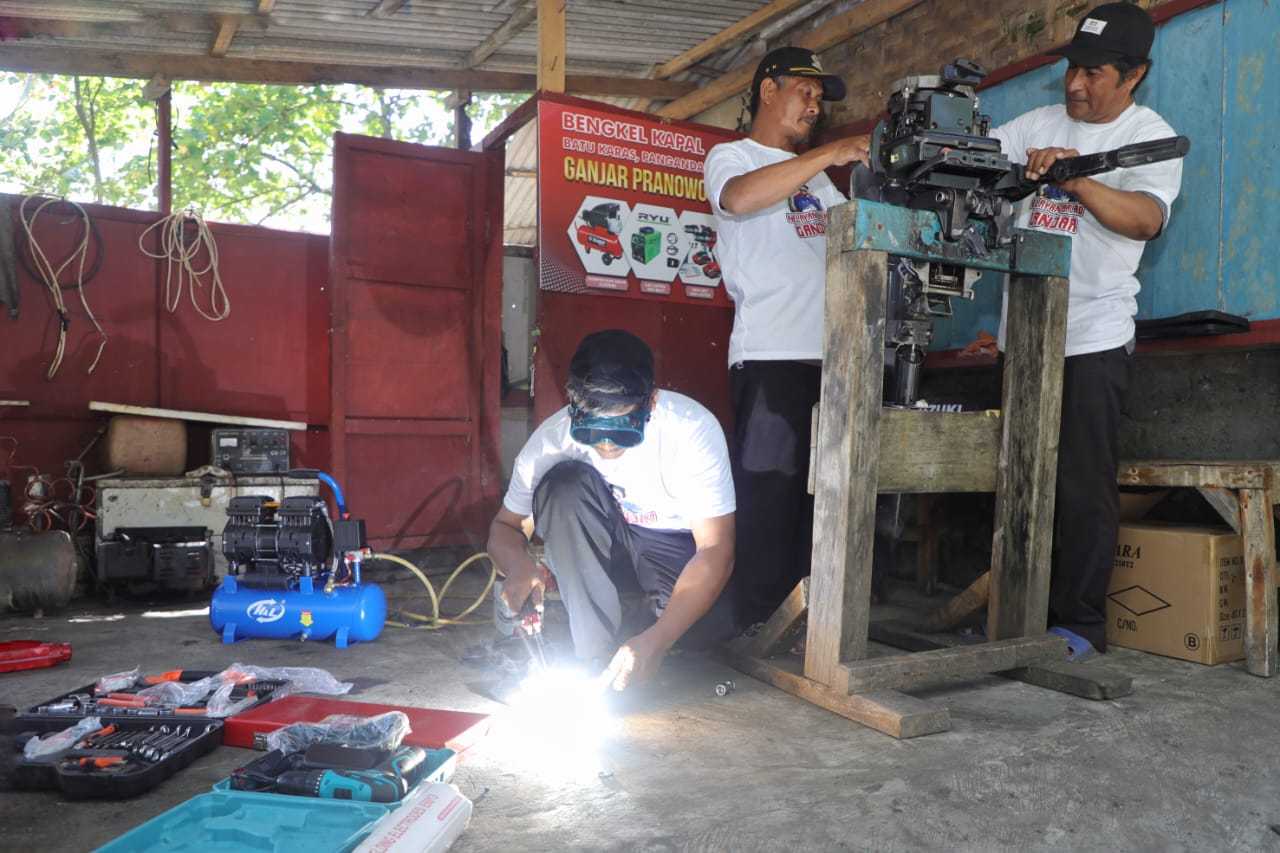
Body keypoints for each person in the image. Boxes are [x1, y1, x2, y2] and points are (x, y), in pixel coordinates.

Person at [988, 2, 1183, 654]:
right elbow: (980, 158)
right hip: (1023, 340)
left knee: (1079, 486)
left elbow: (1146, 218)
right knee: (1013, 479)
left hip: (1093, 338)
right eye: (1073, 68)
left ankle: (1079, 625)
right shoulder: (1035, 124)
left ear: (1134, 75)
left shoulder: (1151, 134)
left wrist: (1077, 178)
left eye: (1094, 73)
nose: (1075, 84)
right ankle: (1010, 613)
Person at [703, 46, 870, 627]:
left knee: (815, 503)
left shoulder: (817, 181)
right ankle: (753, 626)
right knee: (769, 502)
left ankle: (803, 627)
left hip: (830, 361)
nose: (815, 105)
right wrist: (831, 151)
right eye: (807, 91)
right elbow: (740, 198)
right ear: (768, 90)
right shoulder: (731, 157)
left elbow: (853, 242)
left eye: (820, 99)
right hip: (770, 359)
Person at [487, 330, 736, 691]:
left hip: (671, 546)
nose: (605, 444)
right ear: (573, 405)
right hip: (607, 542)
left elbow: (716, 550)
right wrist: (519, 565)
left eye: (620, 430)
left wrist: (659, 639)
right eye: (592, 431)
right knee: (563, 487)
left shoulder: (691, 430)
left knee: (695, 632)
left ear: (650, 403)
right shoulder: (552, 439)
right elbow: (504, 528)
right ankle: (593, 657)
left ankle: (639, 631)